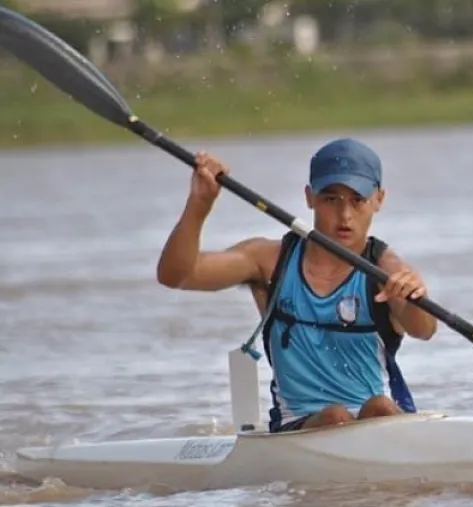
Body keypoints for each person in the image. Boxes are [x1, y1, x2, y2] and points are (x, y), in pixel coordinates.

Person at [155, 137, 438, 432]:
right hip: (298, 426)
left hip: (378, 419)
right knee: (335, 417)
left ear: (379, 199)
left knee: (379, 405)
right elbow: (176, 275)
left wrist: (411, 294)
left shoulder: (387, 270)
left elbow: (425, 330)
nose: (345, 215)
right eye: (331, 199)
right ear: (309, 197)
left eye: (358, 200)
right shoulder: (268, 261)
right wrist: (199, 206)